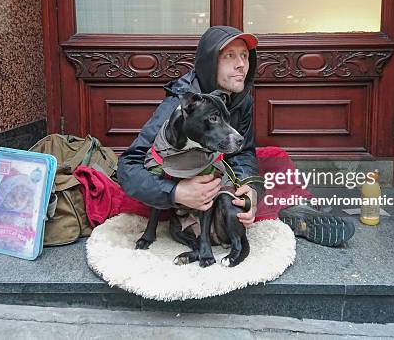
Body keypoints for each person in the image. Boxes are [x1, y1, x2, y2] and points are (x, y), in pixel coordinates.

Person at [118, 25, 354, 246]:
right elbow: (128, 166)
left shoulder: (240, 99)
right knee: (226, 217)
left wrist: (249, 188)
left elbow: (243, 152)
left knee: (274, 161)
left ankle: (292, 211)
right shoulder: (180, 105)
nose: (241, 64)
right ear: (209, 62)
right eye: (229, 56)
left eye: (244, 56)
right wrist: (175, 193)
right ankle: (283, 213)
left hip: (215, 168)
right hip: (181, 181)